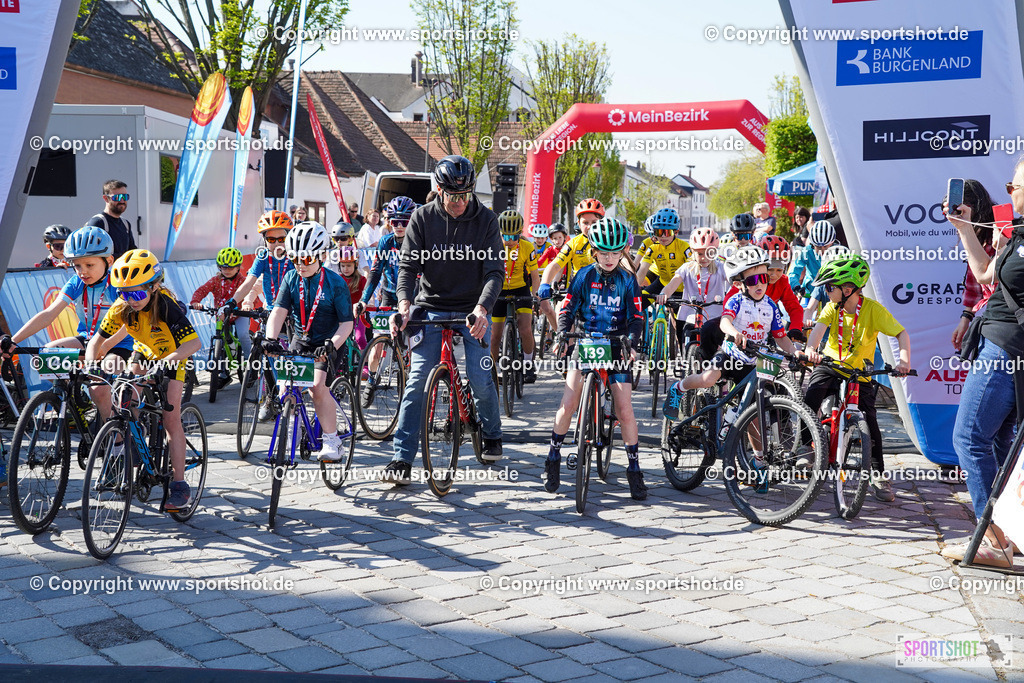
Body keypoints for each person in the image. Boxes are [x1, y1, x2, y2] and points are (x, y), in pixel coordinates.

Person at [385, 154, 504, 485]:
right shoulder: (422, 218)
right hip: (431, 306)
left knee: (480, 375)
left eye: (465, 196)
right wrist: (405, 304)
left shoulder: (486, 220)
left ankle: (492, 433)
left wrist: (482, 308)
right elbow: (408, 266)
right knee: (418, 379)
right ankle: (401, 459)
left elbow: (495, 272)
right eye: (453, 197)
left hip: (472, 307)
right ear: (439, 190)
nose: (460, 203)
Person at [941, 165, 1024, 568]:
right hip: (1002, 347)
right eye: (1010, 185)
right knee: (1001, 445)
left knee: (969, 439)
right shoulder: (1014, 230)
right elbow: (983, 274)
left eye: (1016, 185)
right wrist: (964, 229)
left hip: (1006, 351)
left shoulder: (1008, 228)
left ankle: (994, 540)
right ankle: (1009, 535)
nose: (1009, 191)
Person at [88, 249, 202, 512]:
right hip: (144, 351)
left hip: (173, 356)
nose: (131, 300)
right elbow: (98, 340)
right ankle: (131, 446)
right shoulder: (123, 306)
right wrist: (94, 367)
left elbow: (193, 343)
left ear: (154, 286)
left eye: (138, 293)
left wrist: (166, 362)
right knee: (125, 398)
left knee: (170, 417)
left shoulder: (166, 306)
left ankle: (179, 484)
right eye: (124, 293)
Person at [545, 218, 645, 499]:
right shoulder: (584, 275)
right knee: (568, 403)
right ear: (594, 251)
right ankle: (552, 458)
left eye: (615, 253)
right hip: (586, 341)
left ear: (622, 253)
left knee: (624, 408)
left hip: (617, 344)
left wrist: (632, 343)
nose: (610, 258)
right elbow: (566, 309)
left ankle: (634, 469)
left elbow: (637, 317)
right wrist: (563, 334)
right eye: (604, 253)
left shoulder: (628, 280)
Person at [801, 254, 911, 503]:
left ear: (848, 289)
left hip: (858, 373)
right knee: (811, 397)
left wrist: (904, 362)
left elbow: (901, 333)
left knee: (870, 422)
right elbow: (817, 333)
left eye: (830, 287)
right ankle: (805, 446)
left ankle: (877, 473)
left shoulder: (872, 310)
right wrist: (810, 350)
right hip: (830, 365)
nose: (827, 292)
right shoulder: (831, 307)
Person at [1, 226, 130, 420]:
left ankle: (117, 440)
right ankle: (73, 405)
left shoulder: (117, 283)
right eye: (77, 266)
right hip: (89, 339)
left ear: (109, 261)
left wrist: (106, 345)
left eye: (89, 265)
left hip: (120, 344)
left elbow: (128, 324)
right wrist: (13, 341)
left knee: (98, 388)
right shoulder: (77, 282)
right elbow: (49, 314)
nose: (82, 272)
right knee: (47, 358)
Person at [665, 246, 799, 420]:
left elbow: (781, 337)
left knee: (751, 414)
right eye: (752, 280)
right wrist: (735, 333)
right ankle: (679, 388)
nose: (759, 284)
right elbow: (725, 321)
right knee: (707, 379)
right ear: (738, 284)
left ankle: (757, 448)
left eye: (764, 278)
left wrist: (795, 351)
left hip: (755, 360)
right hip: (731, 354)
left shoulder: (771, 306)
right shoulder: (736, 300)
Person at [263, 222, 354, 462]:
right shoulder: (291, 277)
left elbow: (347, 324)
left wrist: (331, 345)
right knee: (285, 389)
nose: (300, 265)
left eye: (306, 260)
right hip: (301, 339)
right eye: (294, 260)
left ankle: (332, 439)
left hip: (330, 339)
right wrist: (270, 339)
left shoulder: (336, 283)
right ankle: (291, 430)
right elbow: (278, 311)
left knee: (316, 387)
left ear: (322, 256)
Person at [229, 210, 294, 421]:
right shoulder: (263, 256)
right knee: (265, 352)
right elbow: (250, 281)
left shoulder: (295, 257)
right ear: (264, 239)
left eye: (282, 238)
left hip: (294, 313)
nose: (277, 244)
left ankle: (292, 393)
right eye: (271, 239)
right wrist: (233, 301)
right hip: (271, 311)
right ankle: (270, 397)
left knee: (292, 356)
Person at [353, 197, 415, 403]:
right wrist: (364, 300)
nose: (398, 226)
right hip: (388, 293)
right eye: (394, 221)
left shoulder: (417, 241)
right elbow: (375, 272)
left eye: (404, 222)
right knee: (377, 343)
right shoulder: (385, 241)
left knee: (414, 342)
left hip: (411, 296)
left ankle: (412, 374)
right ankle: (371, 380)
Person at [657, 227, 727, 351]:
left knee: (715, 350)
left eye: (708, 253)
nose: (704, 258)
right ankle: (687, 364)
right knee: (684, 344)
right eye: (700, 254)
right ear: (692, 252)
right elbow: (673, 283)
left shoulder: (721, 267)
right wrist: (664, 293)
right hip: (689, 315)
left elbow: (734, 282)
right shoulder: (686, 268)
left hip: (715, 317)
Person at [190, 247, 251, 384]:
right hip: (222, 315)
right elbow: (202, 290)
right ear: (219, 267)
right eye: (224, 267)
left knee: (242, 335)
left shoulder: (242, 280)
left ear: (238, 267)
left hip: (240, 313)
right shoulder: (215, 280)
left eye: (231, 267)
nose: (227, 270)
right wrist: (195, 302)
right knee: (219, 339)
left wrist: (247, 304)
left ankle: (250, 362)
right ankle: (223, 371)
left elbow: (250, 294)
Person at [492, 210, 539, 384]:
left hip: (521, 289)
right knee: (494, 335)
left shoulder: (527, 247)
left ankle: (528, 364)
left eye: (514, 236)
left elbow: (535, 276)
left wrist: (536, 297)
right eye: (505, 235)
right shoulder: (494, 244)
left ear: (520, 234)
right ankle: (494, 368)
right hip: (499, 290)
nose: (509, 240)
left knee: (525, 328)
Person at [950, 180, 997, 355]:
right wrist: (966, 317)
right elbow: (974, 279)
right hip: (988, 318)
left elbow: (984, 274)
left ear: (973, 206)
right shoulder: (974, 231)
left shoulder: (1002, 228)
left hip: (1004, 320)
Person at [539, 198, 605, 303]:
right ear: (579, 223)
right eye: (585, 222)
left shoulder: (609, 241)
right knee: (560, 311)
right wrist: (544, 283)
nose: (589, 227)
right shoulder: (572, 244)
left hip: (604, 292)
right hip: (579, 290)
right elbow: (555, 265)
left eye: (594, 222)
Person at [635, 207, 692, 303]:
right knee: (637, 303)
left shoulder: (684, 247)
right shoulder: (653, 248)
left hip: (681, 288)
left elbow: (692, 270)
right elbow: (643, 269)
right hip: (662, 283)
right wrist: (633, 289)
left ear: (676, 232)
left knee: (678, 318)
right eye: (659, 232)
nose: (663, 236)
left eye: (667, 232)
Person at [85, 180, 137, 260]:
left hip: (122, 271)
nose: (122, 200)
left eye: (125, 197)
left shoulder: (126, 224)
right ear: (106, 198)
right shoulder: (98, 223)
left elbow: (132, 252)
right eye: (117, 197)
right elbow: (89, 256)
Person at [790, 220, 838, 299]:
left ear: (832, 242)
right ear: (812, 244)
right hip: (810, 291)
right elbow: (794, 271)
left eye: (825, 247)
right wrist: (796, 287)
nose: (822, 250)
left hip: (832, 292)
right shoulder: (807, 251)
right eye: (818, 247)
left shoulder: (839, 252)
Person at [337, 247, 368, 350]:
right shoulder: (338, 279)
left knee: (360, 339)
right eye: (343, 265)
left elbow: (369, 295)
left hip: (358, 314)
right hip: (342, 315)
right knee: (340, 340)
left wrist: (370, 302)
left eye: (349, 265)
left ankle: (365, 362)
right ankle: (341, 363)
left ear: (356, 265)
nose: (346, 269)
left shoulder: (362, 279)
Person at [356, 209, 384, 277]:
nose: (376, 218)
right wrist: (381, 243)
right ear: (368, 217)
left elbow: (380, 242)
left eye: (377, 216)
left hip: (374, 254)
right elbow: (371, 244)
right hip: (365, 256)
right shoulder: (366, 228)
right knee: (368, 274)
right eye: (374, 216)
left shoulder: (377, 228)